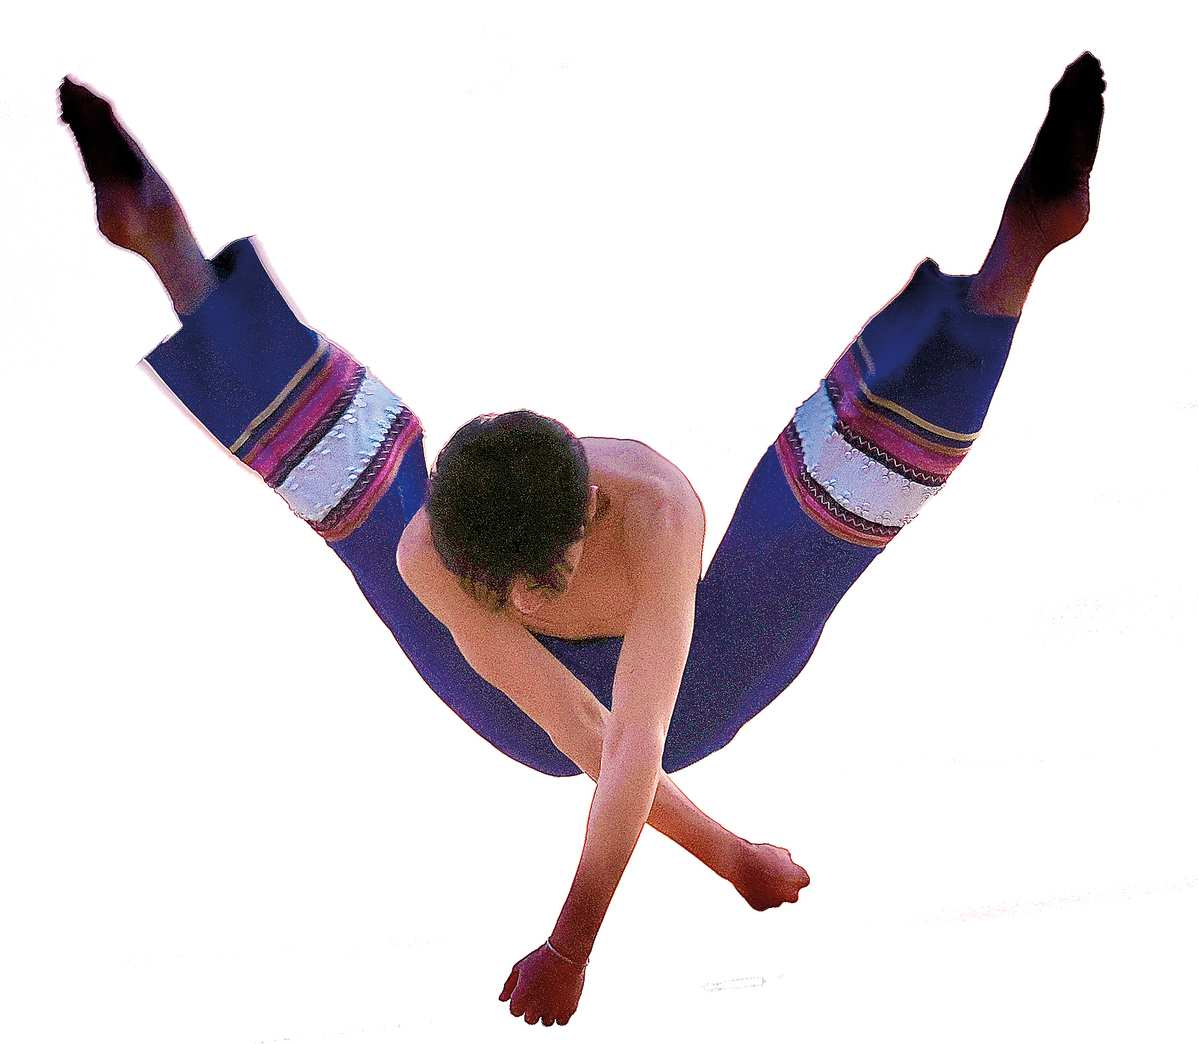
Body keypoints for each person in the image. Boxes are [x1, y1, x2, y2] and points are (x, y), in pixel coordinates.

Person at [58, 52, 1105, 1027]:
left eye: (536, 579)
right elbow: (575, 727)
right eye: (499, 586)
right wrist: (728, 856)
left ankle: (1020, 254)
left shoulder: (656, 513)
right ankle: (166, 245)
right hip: (523, 708)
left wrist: (580, 940)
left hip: (688, 682)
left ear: (592, 515)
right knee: (359, 504)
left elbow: (632, 746)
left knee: (818, 536)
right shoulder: (433, 548)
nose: (521, 602)